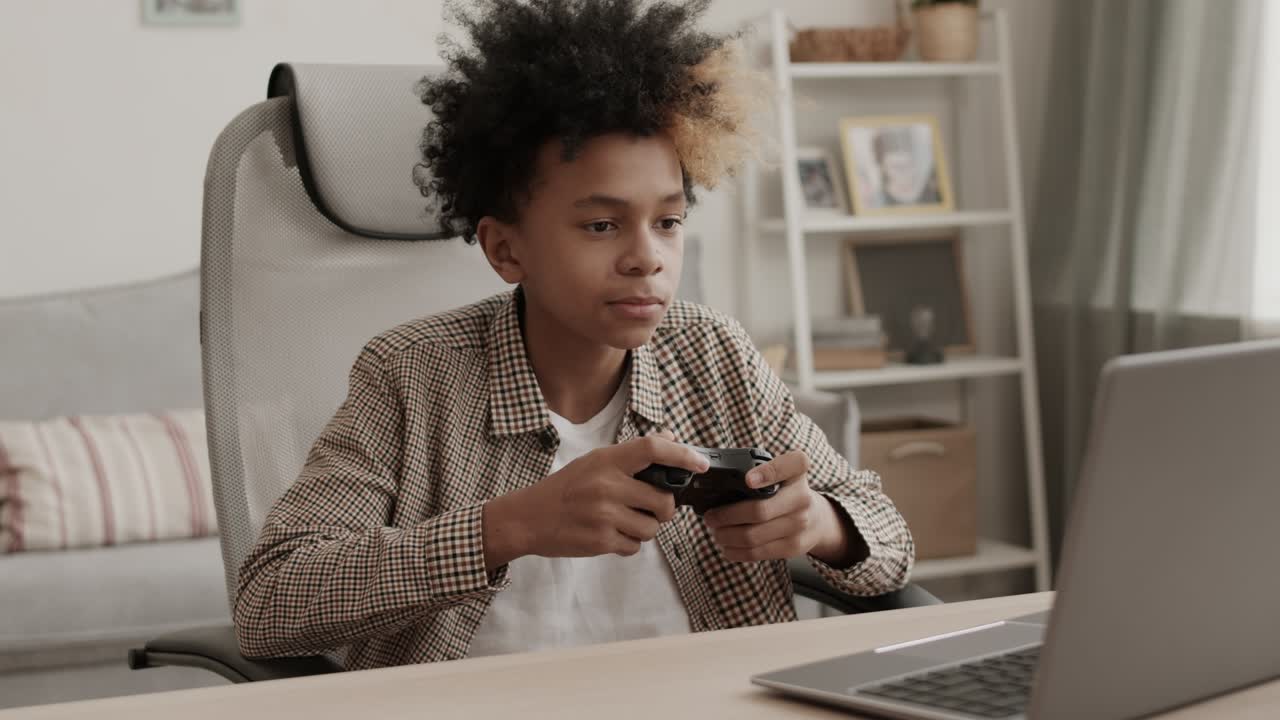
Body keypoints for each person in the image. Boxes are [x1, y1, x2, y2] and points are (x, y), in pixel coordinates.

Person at [233, 0, 914, 670]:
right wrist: (510, 526)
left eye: (668, 222)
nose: (647, 256)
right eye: (601, 225)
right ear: (506, 251)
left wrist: (823, 526)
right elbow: (269, 602)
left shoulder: (714, 356)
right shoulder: (412, 375)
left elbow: (888, 536)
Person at [872, 125, 941, 207]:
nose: (903, 172)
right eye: (896, 167)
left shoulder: (933, 195)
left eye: (908, 165)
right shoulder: (877, 200)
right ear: (883, 168)